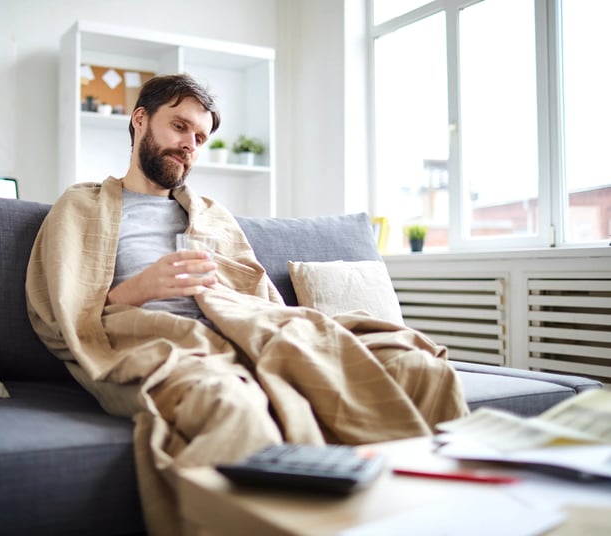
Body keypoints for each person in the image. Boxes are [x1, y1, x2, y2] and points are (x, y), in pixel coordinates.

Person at [26, 73, 469, 535]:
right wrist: (140, 288)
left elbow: (259, 297)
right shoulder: (82, 205)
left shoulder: (212, 215)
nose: (189, 145)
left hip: (238, 332)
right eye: (179, 127)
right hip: (159, 343)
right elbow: (60, 311)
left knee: (416, 366)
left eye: (199, 137)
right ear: (140, 120)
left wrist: (233, 306)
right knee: (231, 402)